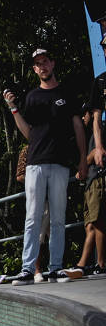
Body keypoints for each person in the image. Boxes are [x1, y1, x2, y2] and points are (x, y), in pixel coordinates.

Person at [4, 48, 88, 285]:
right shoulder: (31, 97)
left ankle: (56, 267)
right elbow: (29, 133)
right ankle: (27, 269)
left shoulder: (67, 93)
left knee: (58, 218)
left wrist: (83, 158)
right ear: (34, 69)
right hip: (35, 164)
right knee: (32, 217)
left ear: (52, 63)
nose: (42, 67)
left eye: (45, 62)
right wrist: (13, 108)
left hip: (61, 164)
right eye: (37, 64)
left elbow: (78, 127)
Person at [61, 59, 106, 279]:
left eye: (86, 114)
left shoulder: (97, 133)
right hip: (90, 182)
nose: (84, 118)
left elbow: (97, 153)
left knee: (96, 222)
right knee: (90, 224)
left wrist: (84, 162)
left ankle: (95, 263)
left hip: (97, 178)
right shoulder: (86, 136)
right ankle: (86, 264)